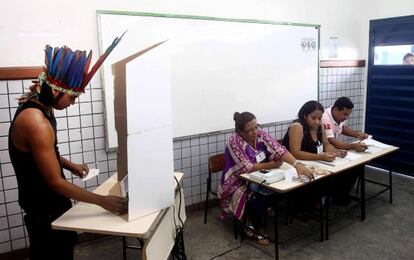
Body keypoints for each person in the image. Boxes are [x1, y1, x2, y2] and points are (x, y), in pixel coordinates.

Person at [8, 37, 127, 260]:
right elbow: (54, 181)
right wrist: (103, 201)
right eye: (72, 97)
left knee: (64, 247)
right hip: (43, 208)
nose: (73, 103)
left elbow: (44, 152)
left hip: (51, 203)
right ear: (55, 91)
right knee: (52, 253)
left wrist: (71, 166)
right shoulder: (36, 122)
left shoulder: (42, 105)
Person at [217, 111, 312, 246]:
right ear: (240, 132)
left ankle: (253, 219)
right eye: (250, 130)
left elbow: (279, 150)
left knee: (275, 189)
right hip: (237, 180)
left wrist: (297, 165)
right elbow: (247, 167)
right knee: (256, 196)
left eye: (256, 127)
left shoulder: (260, 134)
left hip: (262, 174)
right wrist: (271, 164)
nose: (255, 132)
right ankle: (257, 225)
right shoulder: (234, 141)